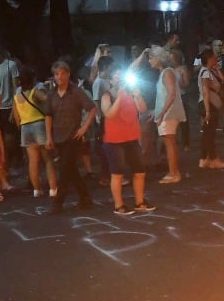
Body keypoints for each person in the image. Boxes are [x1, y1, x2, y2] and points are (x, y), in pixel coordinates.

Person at [99, 65, 156, 215]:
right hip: (114, 140)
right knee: (117, 173)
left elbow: (142, 109)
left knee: (139, 171)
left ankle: (140, 201)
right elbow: (109, 114)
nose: (120, 80)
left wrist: (137, 95)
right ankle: (119, 205)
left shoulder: (131, 93)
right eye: (117, 77)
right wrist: (119, 97)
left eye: (121, 76)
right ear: (111, 80)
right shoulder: (107, 95)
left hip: (132, 137)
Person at [43, 59, 97, 214]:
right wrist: (48, 137)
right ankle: (85, 197)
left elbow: (92, 108)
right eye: (56, 74)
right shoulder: (51, 94)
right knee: (71, 169)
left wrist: (84, 128)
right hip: (58, 136)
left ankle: (58, 202)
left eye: (62, 74)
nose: (59, 77)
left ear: (67, 74)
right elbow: (48, 116)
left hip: (73, 136)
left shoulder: (76, 92)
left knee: (64, 169)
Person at [13, 71, 57, 198]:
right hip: (39, 125)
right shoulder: (34, 92)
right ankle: (53, 189)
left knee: (33, 161)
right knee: (48, 159)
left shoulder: (16, 97)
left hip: (25, 128)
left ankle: (37, 189)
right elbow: (49, 101)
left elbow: (17, 118)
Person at [149, 46, 186, 183]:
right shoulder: (165, 72)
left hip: (169, 113)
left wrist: (162, 113)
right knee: (169, 142)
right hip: (166, 112)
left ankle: (174, 173)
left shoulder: (167, 73)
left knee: (169, 142)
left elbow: (171, 94)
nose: (150, 61)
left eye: (151, 58)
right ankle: (173, 172)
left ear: (158, 59)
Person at [196, 49, 224, 170]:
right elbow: (205, 92)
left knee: (207, 133)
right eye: (214, 57)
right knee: (210, 133)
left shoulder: (210, 71)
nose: (216, 58)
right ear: (209, 58)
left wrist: (217, 68)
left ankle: (204, 158)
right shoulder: (205, 73)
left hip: (209, 104)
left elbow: (223, 80)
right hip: (208, 105)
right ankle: (213, 159)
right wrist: (208, 110)